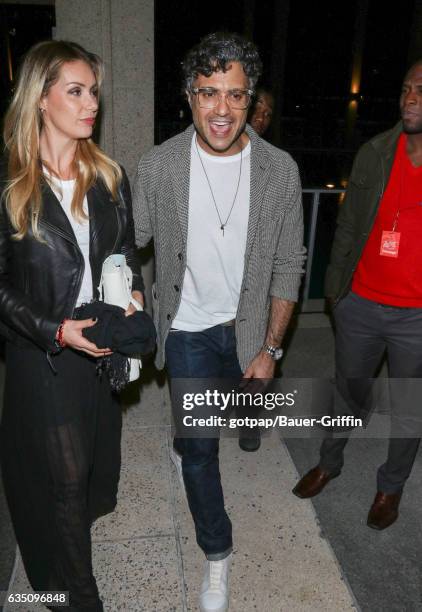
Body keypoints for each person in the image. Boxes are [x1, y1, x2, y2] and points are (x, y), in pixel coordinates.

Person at [133, 32, 305, 612]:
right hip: (186, 329)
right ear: (190, 96)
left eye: (235, 94)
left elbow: (289, 263)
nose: (222, 110)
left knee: (244, 416)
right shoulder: (158, 166)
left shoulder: (279, 171)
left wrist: (271, 350)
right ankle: (217, 554)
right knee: (201, 448)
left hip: (251, 327)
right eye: (210, 94)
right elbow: (127, 249)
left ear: (250, 96)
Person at [0, 40, 143, 610]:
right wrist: (53, 328)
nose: (91, 105)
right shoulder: (12, 185)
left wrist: (130, 295)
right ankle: (79, 597)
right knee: (64, 475)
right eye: (76, 91)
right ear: (41, 98)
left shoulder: (108, 176)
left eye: (94, 92)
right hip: (46, 352)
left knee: (91, 469)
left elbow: (125, 254)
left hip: (100, 341)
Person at [293, 59, 422, 531]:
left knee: (410, 407)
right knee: (348, 392)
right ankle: (331, 461)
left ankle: (391, 486)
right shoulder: (375, 151)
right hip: (361, 304)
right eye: (406, 88)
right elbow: (347, 225)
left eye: (421, 90)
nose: (410, 97)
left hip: (417, 318)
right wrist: (335, 294)